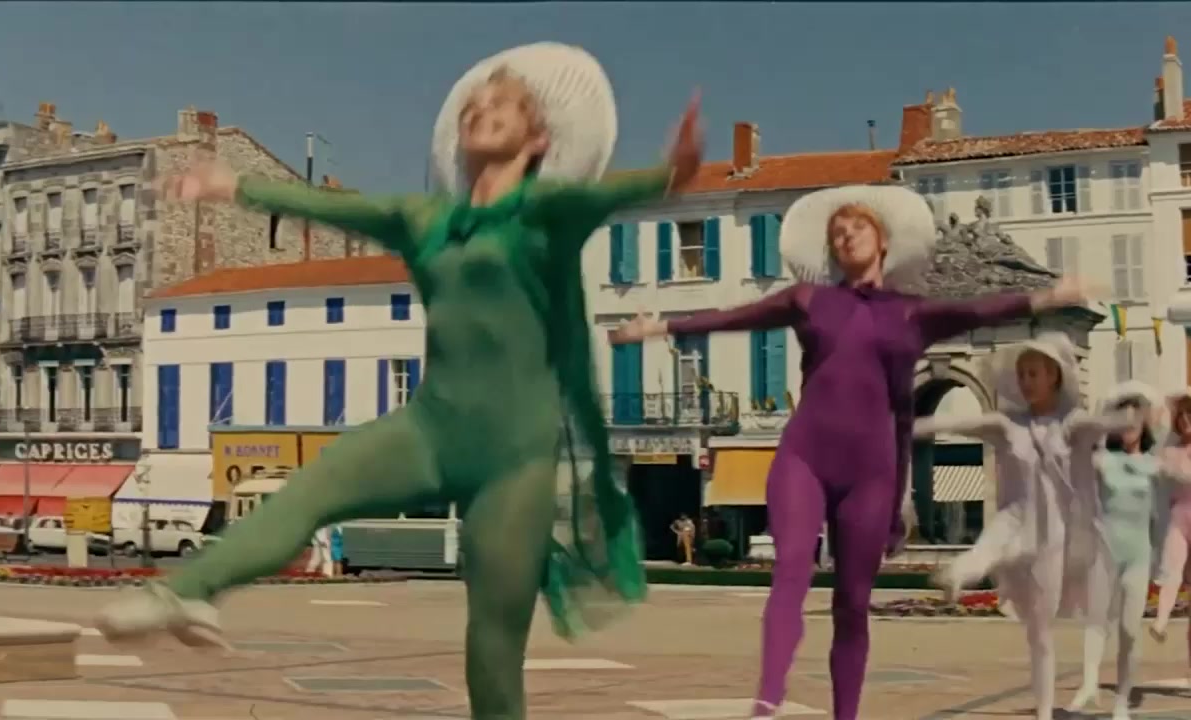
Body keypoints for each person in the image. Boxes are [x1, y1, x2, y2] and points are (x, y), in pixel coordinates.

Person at [93, 42, 703, 720]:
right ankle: (185, 593)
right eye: (474, 103)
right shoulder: (424, 220)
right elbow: (327, 207)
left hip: (517, 463)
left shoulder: (547, 212)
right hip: (430, 431)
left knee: (493, 646)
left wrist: (673, 170)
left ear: (538, 139)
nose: (481, 108)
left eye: (502, 103)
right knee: (309, 489)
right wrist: (233, 186)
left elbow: (626, 190)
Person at [609, 185, 1085, 720]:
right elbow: (734, 317)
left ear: (882, 241)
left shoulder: (913, 313)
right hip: (804, 455)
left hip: (871, 472)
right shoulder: (808, 300)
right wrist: (662, 326)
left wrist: (1045, 299)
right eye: (837, 233)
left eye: (856, 227)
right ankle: (767, 698)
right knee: (791, 570)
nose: (845, 236)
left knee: (853, 606)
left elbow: (969, 323)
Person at [914, 333, 1138, 720]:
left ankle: (1045, 710)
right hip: (1014, 516)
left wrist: (1132, 416)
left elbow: (1103, 423)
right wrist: (909, 424)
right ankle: (961, 572)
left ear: (1054, 376)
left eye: (1034, 373)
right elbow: (960, 422)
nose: (1026, 381)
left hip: (1053, 533)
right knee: (993, 544)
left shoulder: (1072, 423)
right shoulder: (1007, 425)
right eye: (1022, 374)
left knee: (1040, 631)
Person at [1066, 382, 1163, 719]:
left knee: (1130, 633)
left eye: (1134, 421)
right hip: (1105, 555)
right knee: (1097, 622)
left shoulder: (1154, 464)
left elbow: (1161, 517)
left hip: (1139, 557)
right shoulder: (1102, 460)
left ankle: (1122, 701)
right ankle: (1089, 684)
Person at [1149, 391, 1191, 663]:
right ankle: (1161, 621)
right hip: (1180, 517)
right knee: (1171, 568)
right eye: (1182, 416)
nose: (1185, 420)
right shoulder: (1169, 452)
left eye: (1190, 415)